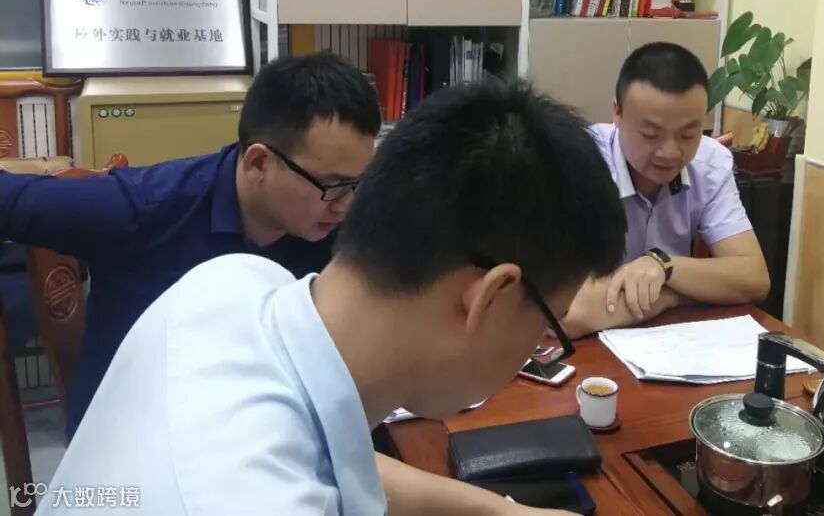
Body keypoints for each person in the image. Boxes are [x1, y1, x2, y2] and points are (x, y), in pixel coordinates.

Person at [45, 80, 627, 515]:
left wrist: (499, 511)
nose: (543, 343)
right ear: (490, 297)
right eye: (549, 324)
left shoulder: (235, 282)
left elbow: (338, 455)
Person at [0, 51, 380, 438]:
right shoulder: (146, 209)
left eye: (357, 183)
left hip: (257, 429)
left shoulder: (336, 223)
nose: (346, 204)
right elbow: (10, 199)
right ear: (257, 164)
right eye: (332, 185)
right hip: (134, 444)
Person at [561, 42, 770, 338]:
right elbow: (567, 313)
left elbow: (753, 279)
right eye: (651, 134)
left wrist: (665, 266)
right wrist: (674, 294)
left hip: (666, 342)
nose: (670, 153)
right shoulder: (578, 162)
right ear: (617, 113)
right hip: (585, 351)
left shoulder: (710, 163)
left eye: (688, 135)